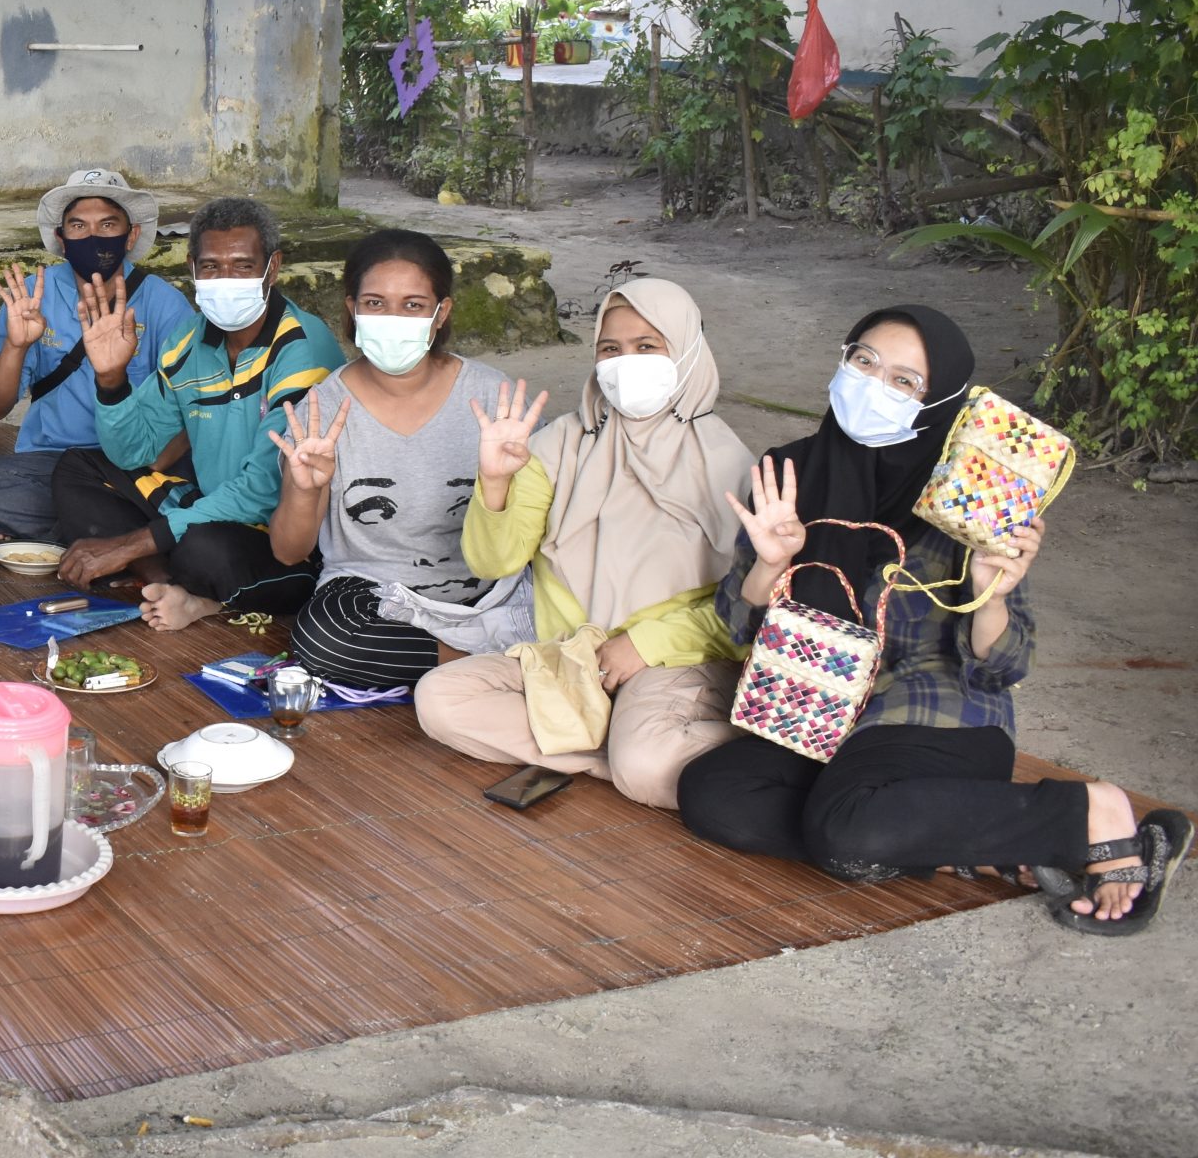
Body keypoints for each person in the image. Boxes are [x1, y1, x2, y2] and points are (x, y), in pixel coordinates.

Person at [678, 304, 1189, 934]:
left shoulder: (974, 493)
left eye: (903, 381)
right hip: (823, 709)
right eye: (863, 361)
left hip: (937, 714)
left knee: (846, 829)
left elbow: (1006, 664)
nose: (872, 386)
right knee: (714, 795)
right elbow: (737, 631)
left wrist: (991, 594)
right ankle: (961, 843)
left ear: (940, 400)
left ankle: (1090, 812)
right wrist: (771, 564)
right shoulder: (792, 473)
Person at [410, 279, 754, 808]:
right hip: (575, 658)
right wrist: (496, 482)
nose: (625, 362)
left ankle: (732, 750)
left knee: (650, 764)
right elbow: (494, 560)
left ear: (686, 351)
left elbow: (745, 607)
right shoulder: (557, 446)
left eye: (647, 347)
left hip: (674, 660)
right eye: (610, 349)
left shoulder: (732, 465)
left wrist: (644, 645)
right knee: (440, 699)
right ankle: (616, 757)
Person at [52, 196, 341, 630]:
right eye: (210, 267)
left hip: (285, 537)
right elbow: (134, 453)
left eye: (243, 266)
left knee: (204, 548)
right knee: (77, 469)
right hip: (209, 506)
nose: (225, 279)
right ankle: (168, 583)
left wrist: (131, 543)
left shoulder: (302, 347)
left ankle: (176, 579)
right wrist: (111, 379)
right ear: (192, 269)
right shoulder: (189, 339)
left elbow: (264, 490)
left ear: (272, 268)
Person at [271, 229, 508, 696]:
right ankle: (494, 668)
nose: (392, 318)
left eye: (413, 305)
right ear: (351, 309)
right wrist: (306, 487)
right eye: (375, 303)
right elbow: (288, 552)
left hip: (488, 592)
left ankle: (454, 663)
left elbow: (538, 534)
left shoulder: (494, 397)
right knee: (322, 640)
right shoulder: (320, 411)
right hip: (372, 596)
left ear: (442, 313)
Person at [0, 167, 196, 542]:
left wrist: (146, 469)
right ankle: (113, 534)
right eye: (78, 226)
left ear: (131, 236)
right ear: (61, 239)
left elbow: (191, 413)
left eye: (108, 225)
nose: (93, 236)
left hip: (134, 467)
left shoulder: (166, 305)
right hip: (54, 464)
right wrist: (17, 345)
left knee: (192, 485)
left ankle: (73, 531)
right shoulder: (33, 295)